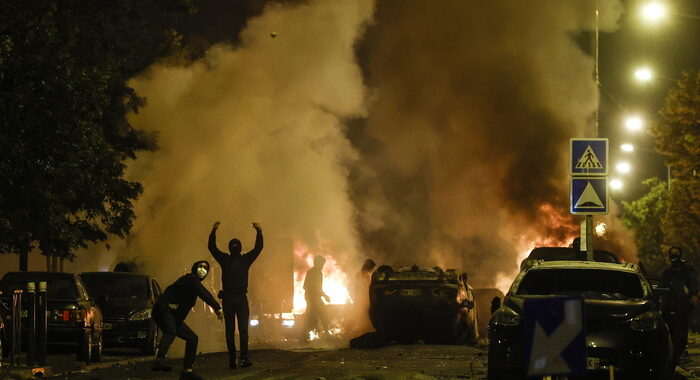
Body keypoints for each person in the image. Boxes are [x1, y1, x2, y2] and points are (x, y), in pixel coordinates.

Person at [151, 260, 223, 380]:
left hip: (173, 316)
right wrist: (217, 308)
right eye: (200, 267)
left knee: (192, 338)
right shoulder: (190, 279)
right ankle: (159, 360)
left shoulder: (193, 286)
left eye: (206, 269)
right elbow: (204, 294)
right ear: (194, 268)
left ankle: (187, 372)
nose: (203, 270)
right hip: (163, 310)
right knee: (171, 332)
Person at [208, 221, 263, 369]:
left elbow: (212, 248)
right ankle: (243, 358)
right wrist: (259, 232)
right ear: (240, 248)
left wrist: (214, 231)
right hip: (239, 298)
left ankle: (233, 359)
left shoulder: (224, 259)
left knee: (230, 330)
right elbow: (258, 248)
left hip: (229, 299)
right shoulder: (245, 260)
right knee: (242, 330)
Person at [662, 246, 699, 365]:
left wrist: (693, 297)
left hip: (683, 305)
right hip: (670, 306)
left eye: (676, 254)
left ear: (681, 254)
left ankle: (681, 352)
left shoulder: (688, 270)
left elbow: (693, 286)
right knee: (672, 331)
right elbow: (664, 288)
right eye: (671, 254)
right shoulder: (668, 273)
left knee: (682, 329)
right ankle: (674, 353)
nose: (673, 256)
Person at [302, 255, 330, 340]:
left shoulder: (312, 272)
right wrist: (325, 296)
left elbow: (305, 286)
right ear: (317, 263)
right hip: (313, 298)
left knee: (311, 316)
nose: (322, 266)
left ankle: (305, 335)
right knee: (322, 314)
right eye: (321, 264)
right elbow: (314, 287)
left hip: (312, 297)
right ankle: (326, 334)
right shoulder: (316, 273)